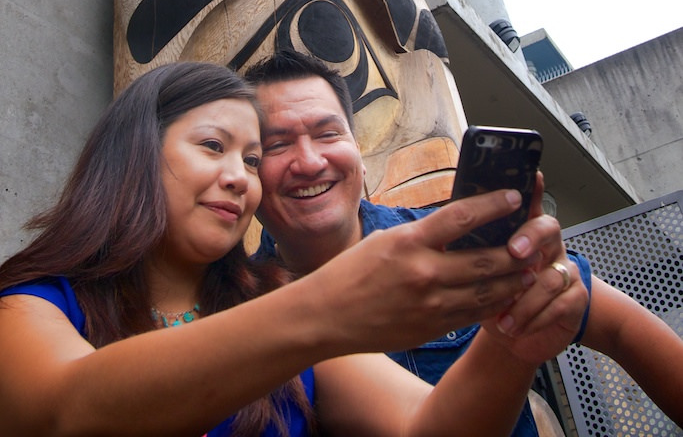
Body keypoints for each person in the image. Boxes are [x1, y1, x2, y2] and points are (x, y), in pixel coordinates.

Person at [0, 60, 587, 437]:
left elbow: (427, 427)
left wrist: (508, 345)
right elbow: (66, 410)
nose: (241, 177)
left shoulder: (279, 298)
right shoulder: (30, 308)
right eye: (213, 146)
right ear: (133, 155)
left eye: (253, 161)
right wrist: (328, 307)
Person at [245, 49, 683, 433]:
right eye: (277, 145)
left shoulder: (462, 240)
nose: (308, 161)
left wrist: (539, 295)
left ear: (358, 151)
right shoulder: (238, 312)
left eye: (328, 134)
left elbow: (623, 326)